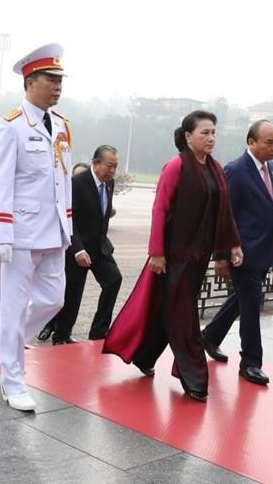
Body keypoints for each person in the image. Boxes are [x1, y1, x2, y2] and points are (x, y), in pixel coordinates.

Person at [104, 111, 242, 402]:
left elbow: (225, 212)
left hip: (199, 255)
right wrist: (157, 252)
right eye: (204, 132)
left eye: (213, 132)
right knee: (184, 316)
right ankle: (194, 378)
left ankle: (144, 356)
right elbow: (160, 210)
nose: (211, 138)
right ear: (188, 136)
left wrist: (232, 246)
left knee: (171, 309)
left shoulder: (215, 169)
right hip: (174, 255)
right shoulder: (176, 166)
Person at [0, 43, 73, 412]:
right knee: (14, 305)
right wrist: (0, 236)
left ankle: (5, 336)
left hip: (54, 230)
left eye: (59, 80)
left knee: (54, 299)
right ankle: (13, 382)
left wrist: (68, 227)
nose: (57, 87)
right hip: (19, 232)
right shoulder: (10, 126)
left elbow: (62, 180)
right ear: (30, 81)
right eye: (50, 80)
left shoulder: (63, 126)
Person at [200, 119, 273, 386]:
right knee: (252, 305)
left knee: (243, 298)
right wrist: (220, 255)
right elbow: (223, 215)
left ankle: (208, 336)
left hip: (264, 252)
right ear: (251, 142)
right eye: (269, 142)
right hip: (240, 253)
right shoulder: (235, 170)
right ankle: (251, 363)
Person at [40, 145, 122, 345]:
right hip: (78, 248)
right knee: (72, 293)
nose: (112, 171)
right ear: (95, 163)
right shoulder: (76, 183)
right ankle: (61, 335)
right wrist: (78, 249)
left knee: (114, 280)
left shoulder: (109, 183)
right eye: (109, 166)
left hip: (99, 248)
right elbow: (70, 220)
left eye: (115, 166)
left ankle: (98, 332)